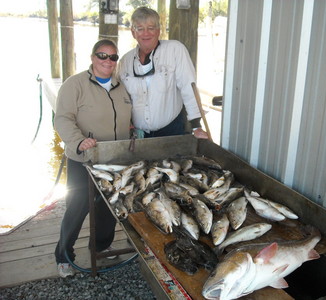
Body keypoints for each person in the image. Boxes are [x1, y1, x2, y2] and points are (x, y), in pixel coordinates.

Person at [54, 39, 132, 278]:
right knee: (77, 208)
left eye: (112, 57)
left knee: (109, 206)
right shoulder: (74, 84)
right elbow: (62, 119)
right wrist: (78, 141)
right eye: (102, 55)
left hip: (114, 159)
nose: (107, 61)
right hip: (83, 159)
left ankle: (100, 245)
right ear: (92, 57)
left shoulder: (121, 86)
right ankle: (64, 256)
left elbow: (127, 116)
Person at [118, 6, 209, 139]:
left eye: (151, 28)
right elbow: (121, 98)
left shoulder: (175, 50)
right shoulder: (125, 61)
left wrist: (196, 126)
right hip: (139, 134)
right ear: (133, 32)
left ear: (159, 31)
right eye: (140, 28)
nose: (146, 33)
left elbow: (189, 87)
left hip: (172, 130)